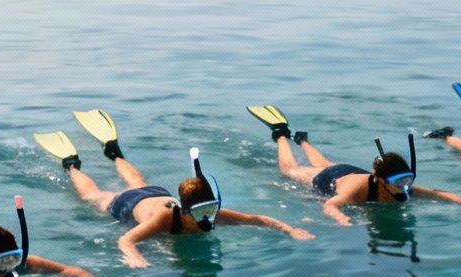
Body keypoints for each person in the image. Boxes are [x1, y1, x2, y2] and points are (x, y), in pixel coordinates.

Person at [34, 109, 314, 267]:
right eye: (203, 211)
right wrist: (133, 256)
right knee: (94, 196)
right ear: (185, 209)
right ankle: (72, 164)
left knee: (139, 181)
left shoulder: (211, 213)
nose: (209, 216)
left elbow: (257, 219)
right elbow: (126, 240)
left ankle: (114, 152)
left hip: (155, 193)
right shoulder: (165, 219)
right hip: (129, 204)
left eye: (212, 209)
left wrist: (290, 229)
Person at [247, 105, 461, 226]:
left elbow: (440, 194)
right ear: (383, 182)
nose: (405, 187)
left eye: (408, 180)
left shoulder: (400, 186)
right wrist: (342, 219)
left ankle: (303, 141)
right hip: (333, 180)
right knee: (291, 171)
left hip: (348, 170)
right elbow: (331, 204)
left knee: (325, 162)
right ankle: (281, 134)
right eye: (399, 183)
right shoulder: (358, 191)